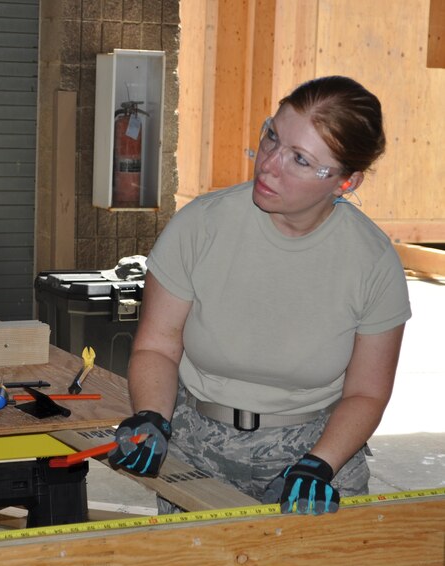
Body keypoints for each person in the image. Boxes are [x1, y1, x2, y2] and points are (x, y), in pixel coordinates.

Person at [107, 75, 412, 515]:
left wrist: (319, 465)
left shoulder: (373, 262)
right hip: (197, 442)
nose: (268, 164)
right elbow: (158, 344)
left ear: (346, 182)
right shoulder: (200, 226)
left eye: (300, 160)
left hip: (315, 451)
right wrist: (152, 416)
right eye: (271, 136)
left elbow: (366, 392)